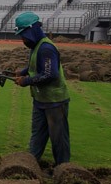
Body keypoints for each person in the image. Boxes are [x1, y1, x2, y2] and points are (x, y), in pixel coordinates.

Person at [12, 12, 71, 165]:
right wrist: (23, 71)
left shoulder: (46, 48)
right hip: (40, 100)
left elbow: (50, 74)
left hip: (55, 101)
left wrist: (26, 81)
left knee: (58, 138)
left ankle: (63, 169)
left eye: (23, 35)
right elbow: (36, 66)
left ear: (31, 30)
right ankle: (30, 166)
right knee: (37, 135)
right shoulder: (36, 46)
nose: (22, 39)